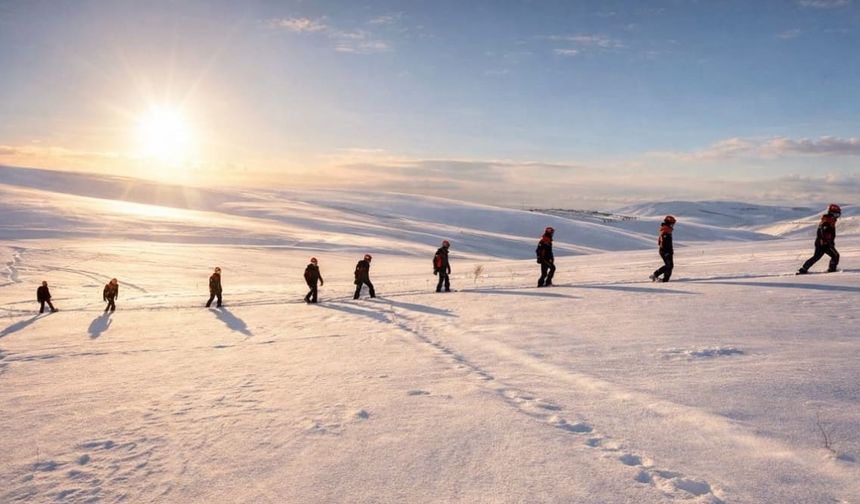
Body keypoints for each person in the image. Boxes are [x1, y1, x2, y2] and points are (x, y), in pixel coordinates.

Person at [798, 204, 841, 274]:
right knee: (835, 255)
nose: (837, 217)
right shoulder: (827, 221)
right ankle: (832, 269)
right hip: (824, 243)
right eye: (836, 215)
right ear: (831, 213)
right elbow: (822, 232)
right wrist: (827, 242)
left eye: (838, 215)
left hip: (821, 243)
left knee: (816, 257)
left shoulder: (828, 220)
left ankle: (803, 268)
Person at [650, 216, 676, 282]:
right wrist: (667, 252)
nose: (673, 225)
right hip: (665, 251)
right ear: (668, 223)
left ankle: (661, 277)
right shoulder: (665, 231)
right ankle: (659, 277)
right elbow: (663, 242)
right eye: (672, 223)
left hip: (666, 250)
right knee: (669, 266)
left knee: (669, 266)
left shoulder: (666, 230)